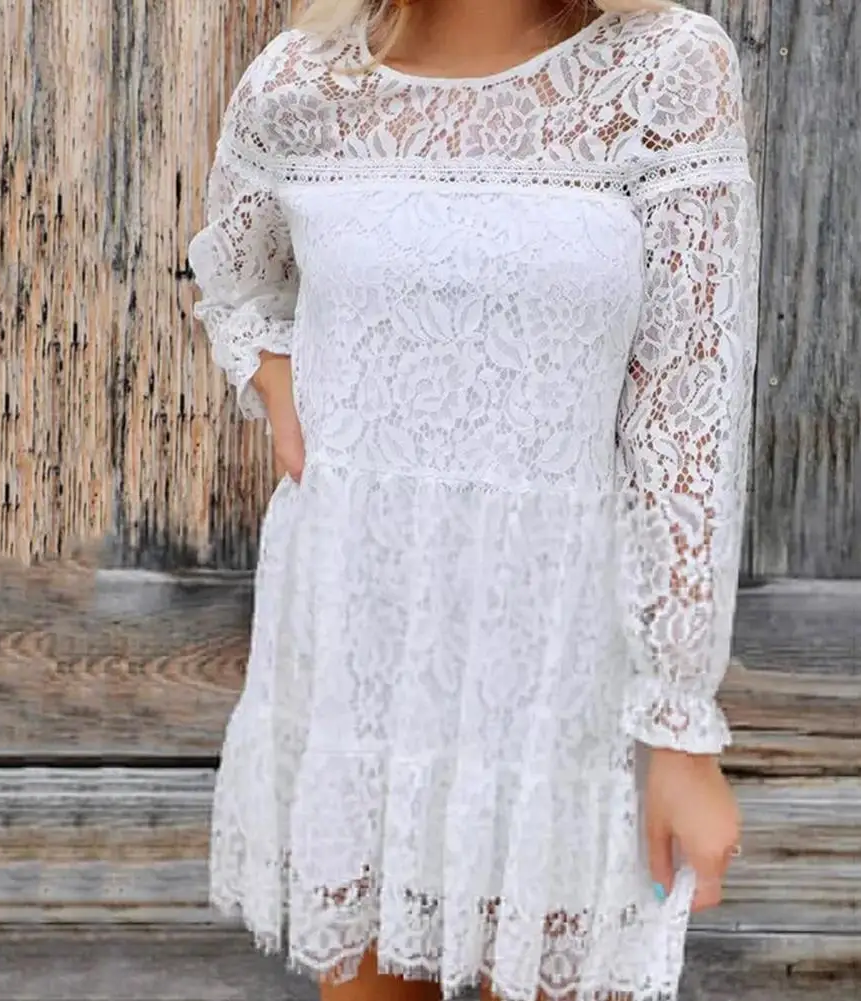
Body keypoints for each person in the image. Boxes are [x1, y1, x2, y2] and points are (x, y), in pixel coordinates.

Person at [187, 0, 758, 999]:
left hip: (558, 669)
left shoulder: (663, 70)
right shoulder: (300, 83)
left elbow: (687, 411)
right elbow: (237, 279)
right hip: (358, 655)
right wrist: (274, 380)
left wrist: (677, 724)